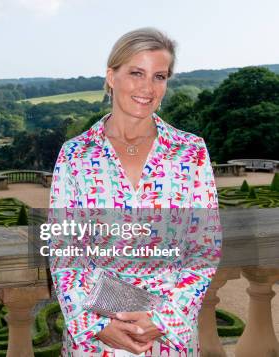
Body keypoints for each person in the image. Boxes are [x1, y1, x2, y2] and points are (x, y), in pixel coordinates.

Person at [48, 28, 222, 356]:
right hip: (98, 336)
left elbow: (204, 247)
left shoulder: (190, 152)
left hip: (166, 337)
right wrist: (95, 326)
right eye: (136, 73)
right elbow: (63, 249)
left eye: (159, 76)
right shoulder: (75, 155)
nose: (147, 88)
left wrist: (166, 318)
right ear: (111, 76)